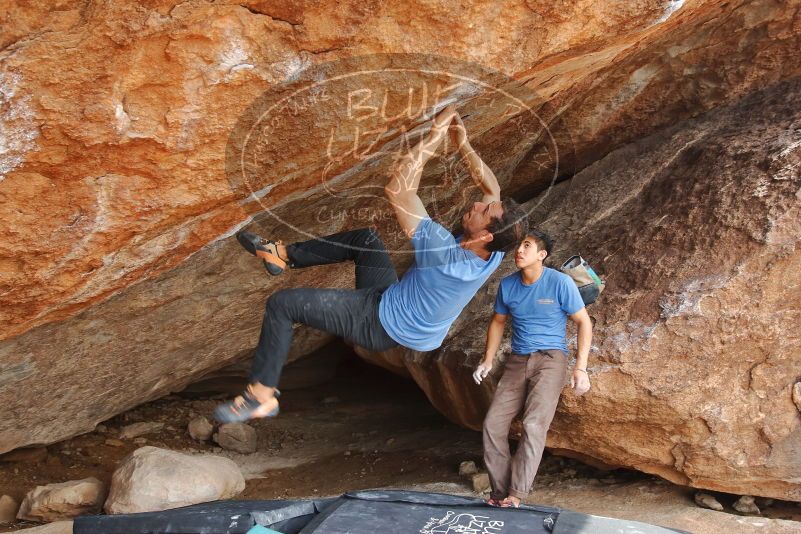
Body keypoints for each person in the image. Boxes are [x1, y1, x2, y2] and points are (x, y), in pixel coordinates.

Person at [214, 105, 529, 423]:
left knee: (282, 304)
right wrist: (462, 142)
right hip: (398, 305)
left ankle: (261, 395)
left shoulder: (443, 254)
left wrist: (435, 136)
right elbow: (492, 188)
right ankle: (282, 255)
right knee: (366, 240)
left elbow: (398, 190)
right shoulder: (496, 248)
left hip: (378, 323)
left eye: (484, 213)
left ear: (486, 235)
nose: (477, 205)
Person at [474, 229, 592, 508]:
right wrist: (487, 360)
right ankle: (500, 492)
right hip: (517, 360)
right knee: (492, 424)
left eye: (527, 246)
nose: (520, 250)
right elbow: (498, 322)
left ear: (542, 255)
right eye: (519, 245)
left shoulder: (560, 283)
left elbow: (583, 322)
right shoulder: (508, 285)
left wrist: (581, 368)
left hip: (551, 360)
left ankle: (517, 494)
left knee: (533, 424)